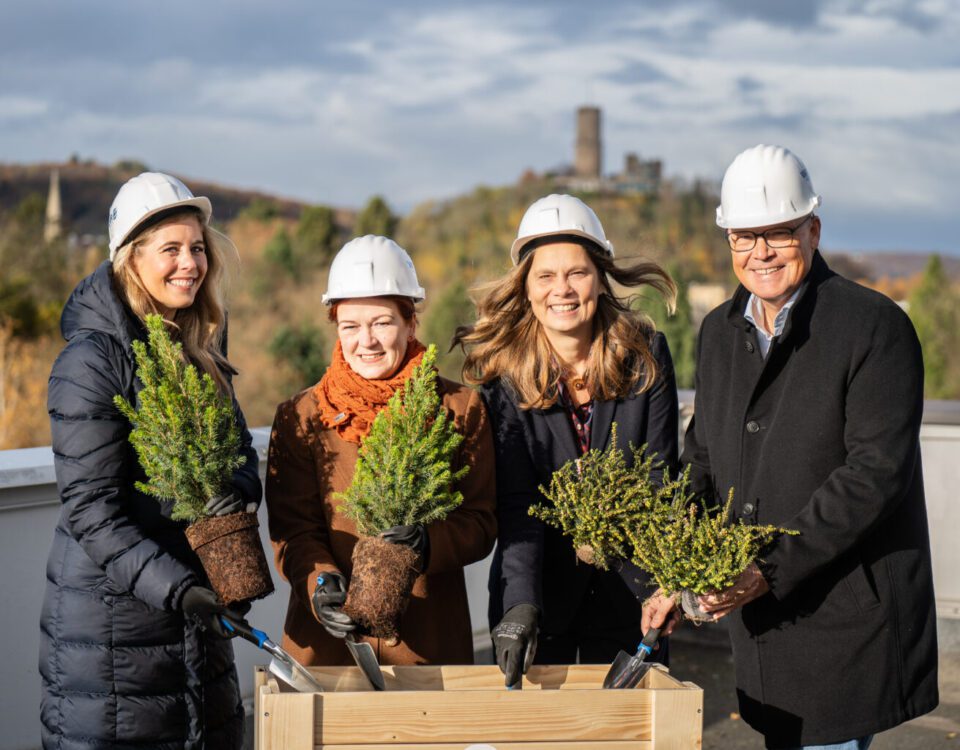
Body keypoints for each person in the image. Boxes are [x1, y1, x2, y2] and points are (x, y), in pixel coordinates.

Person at [644, 144, 939, 749]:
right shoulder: (720, 333)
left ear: (813, 229)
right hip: (762, 631)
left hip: (842, 626)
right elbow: (702, 462)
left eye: (777, 234)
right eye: (743, 237)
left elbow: (873, 475)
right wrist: (672, 573)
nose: (760, 253)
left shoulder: (873, 328)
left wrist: (765, 568)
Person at [40, 172, 261, 749]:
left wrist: (231, 493)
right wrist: (178, 588)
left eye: (196, 248)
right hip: (114, 637)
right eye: (170, 250)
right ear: (130, 260)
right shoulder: (92, 361)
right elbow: (93, 513)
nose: (190, 263)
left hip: (196, 619)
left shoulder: (200, 349)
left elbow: (240, 454)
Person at [454, 194, 679, 687]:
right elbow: (517, 504)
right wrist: (519, 604)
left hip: (630, 592)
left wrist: (660, 587)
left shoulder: (645, 356)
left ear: (600, 276)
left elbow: (661, 482)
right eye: (545, 276)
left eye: (577, 272)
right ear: (526, 287)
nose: (563, 289)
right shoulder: (505, 377)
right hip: (539, 594)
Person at [265, 234, 496, 667]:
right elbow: (294, 532)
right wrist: (320, 584)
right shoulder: (301, 415)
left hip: (426, 649)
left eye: (382, 322)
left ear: (411, 323)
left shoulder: (461, 409)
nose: (366, 340)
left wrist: (428, 542)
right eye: (350, 325)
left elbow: (480, 521)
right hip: (328, 651)